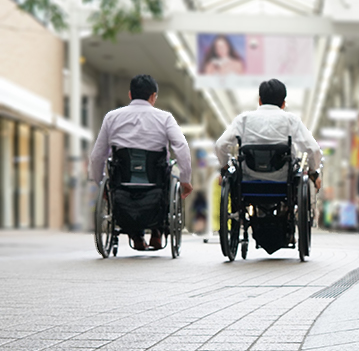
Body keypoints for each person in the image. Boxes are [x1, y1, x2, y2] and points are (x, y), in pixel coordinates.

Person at [89, 74, 193, 250]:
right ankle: (158, 232)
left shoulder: (111, 117)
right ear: (153, 96)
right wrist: (185, 179)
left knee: (120, 175)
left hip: (122, 181)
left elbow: (97, 155)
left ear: (130, 95)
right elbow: (181, 147)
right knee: (167, 176)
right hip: (156, 180)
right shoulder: (165, 118)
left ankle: (136, 236)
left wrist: (99, 183)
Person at [215, 78, 323, 191]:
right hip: (284, 181)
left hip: (248, 180)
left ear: (260, 101)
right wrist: (313, 172)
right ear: (283, 104)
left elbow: (220, 145)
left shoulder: (243, 120)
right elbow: (314, 149)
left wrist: (225, 166)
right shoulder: (291, 120)